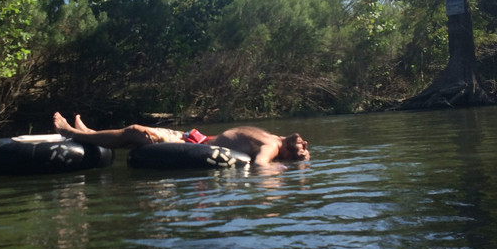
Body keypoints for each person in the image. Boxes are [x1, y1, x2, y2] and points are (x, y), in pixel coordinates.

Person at [53, 112, 310, 166]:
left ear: (288, 153)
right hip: (194, 137)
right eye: (305, 146)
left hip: (192, 147)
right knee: (135, 132)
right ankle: (88, 133)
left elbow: (261, 166)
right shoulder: (276, 137)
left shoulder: (272, 147)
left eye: (302, 149)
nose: (305, 143)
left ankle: (72, 133)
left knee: (135, 132)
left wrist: (280, 170)